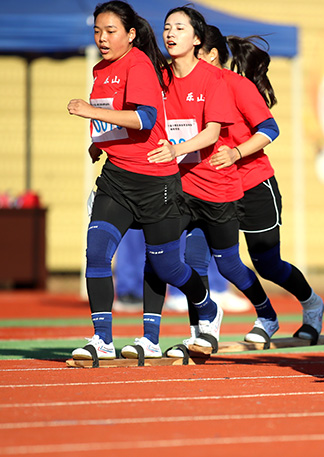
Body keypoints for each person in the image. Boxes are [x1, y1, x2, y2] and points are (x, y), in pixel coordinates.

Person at [66, 0, 221, 361]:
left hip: (156, 183)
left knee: (165, 266)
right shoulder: (100, 68)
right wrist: (98, 141)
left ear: (131, 34)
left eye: (111, 31)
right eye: (97, 31)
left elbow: (146, 119)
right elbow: (112, 117)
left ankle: (199, 310)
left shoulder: (139, 65)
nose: (102, 38)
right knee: (97, 252)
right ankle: (101, 339)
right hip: (116, 179)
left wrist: (86, 111)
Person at [143, 6, 282, 354]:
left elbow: (219, 132)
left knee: (231, 263)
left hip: (219, 185)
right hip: (180, 187)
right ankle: (200, 329)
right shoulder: (160, 78)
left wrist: (234, 154)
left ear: (201, 43)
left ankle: (267, 314)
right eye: (167, 28)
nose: (170, 34)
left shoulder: (221, 80)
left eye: (179, 28)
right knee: (183, 258)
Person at [180, 25, 324, 344]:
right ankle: (206, 328)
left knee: (266, 263)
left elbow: (270, 129)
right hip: (208, 188)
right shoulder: (183, 88)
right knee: (196, 258)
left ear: (210, 54)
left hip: (252, 184)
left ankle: (312, 305)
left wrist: (236, 153)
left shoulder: (237, 85)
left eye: (193, 51)